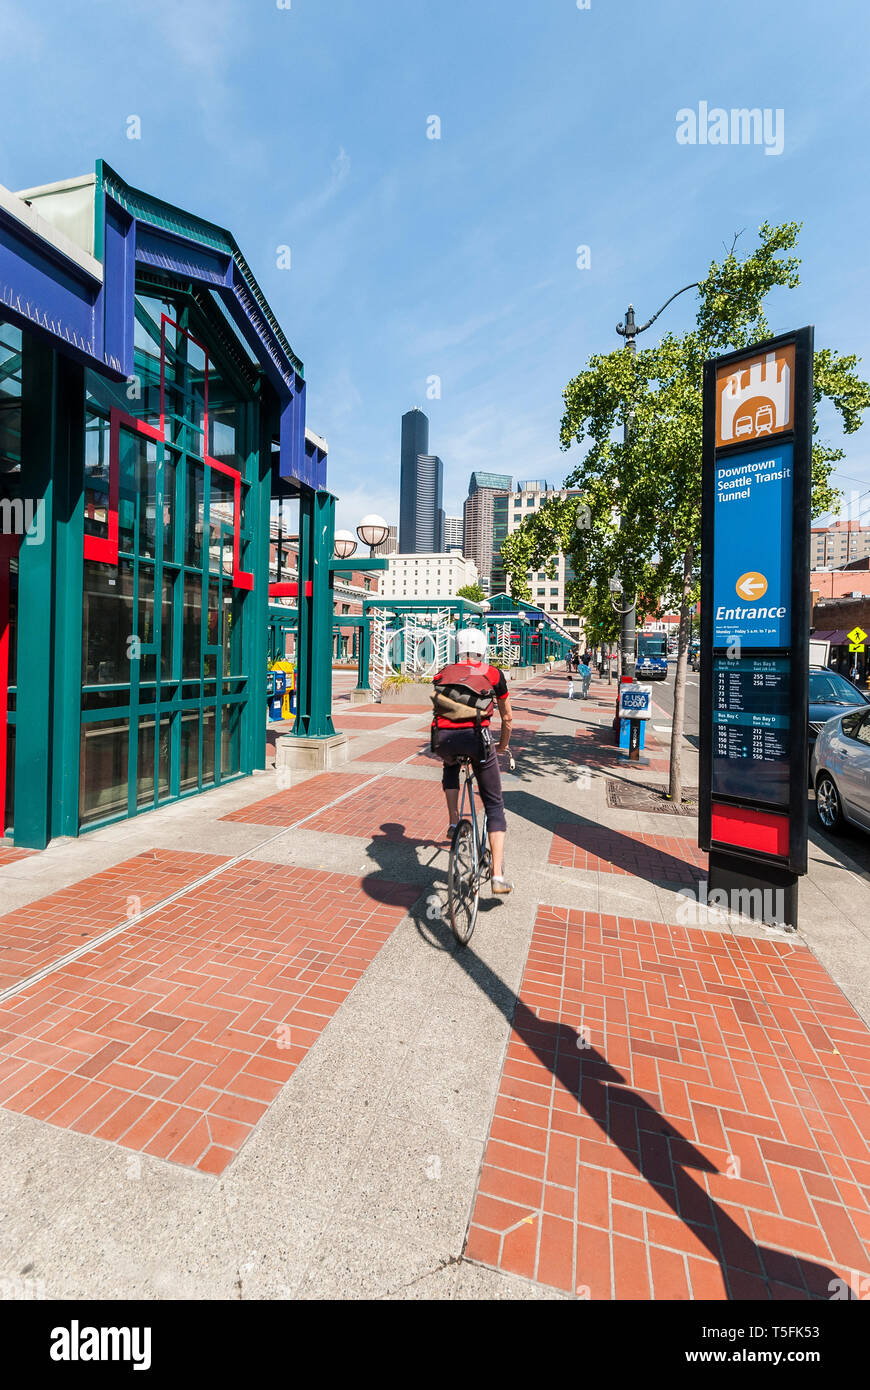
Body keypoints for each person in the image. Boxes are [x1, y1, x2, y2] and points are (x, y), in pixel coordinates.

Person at [432, 628, 514, 894]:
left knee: (450, 766)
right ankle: (498, 876)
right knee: (494, 803)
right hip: (478, 739)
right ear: (483, 647)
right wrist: (503, 744)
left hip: (444, 738)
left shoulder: (444, 672)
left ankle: (455, 821)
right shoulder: (493, 674)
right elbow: (507, 717)